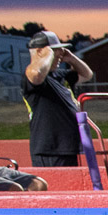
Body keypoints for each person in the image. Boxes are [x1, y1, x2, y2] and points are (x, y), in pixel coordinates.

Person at [21, 30, 94, 167]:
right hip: (50, 148)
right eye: (55, 50)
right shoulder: (32, 77)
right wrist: (48, 55)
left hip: (67, 146)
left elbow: (87, 75)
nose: (60, 53)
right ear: (40, 51)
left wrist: (71, 58)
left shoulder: (59, 76)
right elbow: (36, 74)